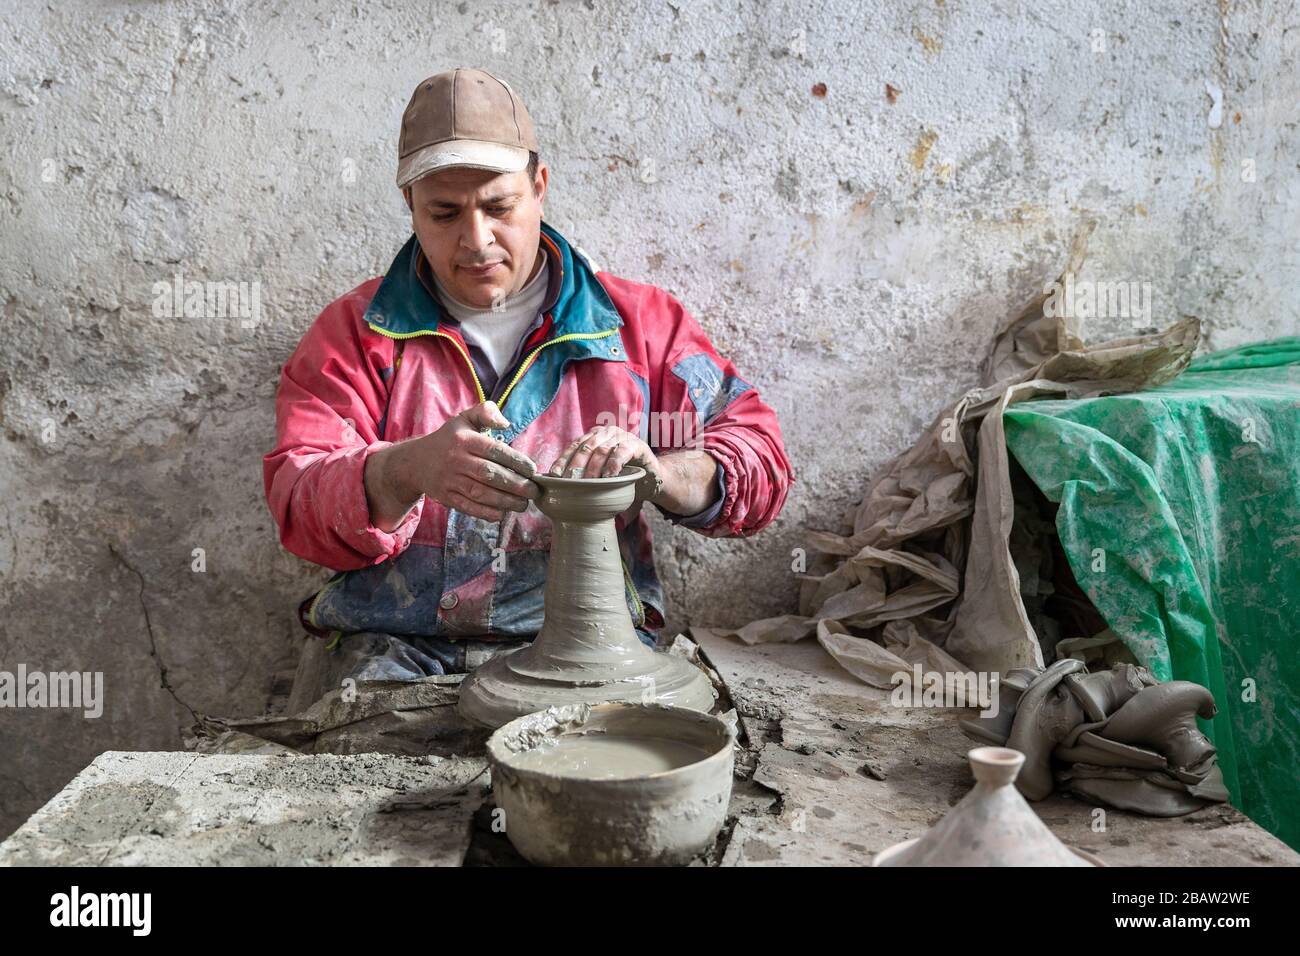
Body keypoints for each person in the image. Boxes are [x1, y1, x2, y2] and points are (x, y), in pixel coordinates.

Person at [263, 68, 794, 682]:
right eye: (443, 213)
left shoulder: (638, 326)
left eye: (498, 206)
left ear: (540, 187)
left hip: (586, 647)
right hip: (390, 647)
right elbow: (297, 504)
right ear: (409, 204)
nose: (476, 239)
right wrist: (404, 469)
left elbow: (762, 460)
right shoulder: (358, 334)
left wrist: (664, 473)